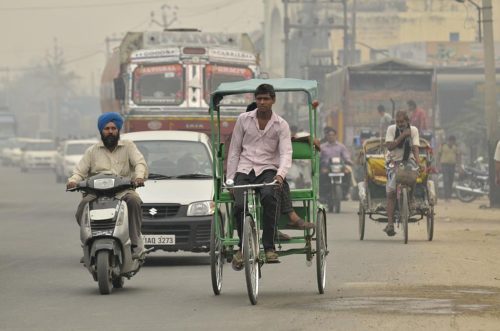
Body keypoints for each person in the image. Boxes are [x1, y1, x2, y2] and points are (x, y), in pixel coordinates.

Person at [227, 83, 292, 268]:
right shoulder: (243, 119)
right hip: (244, 169)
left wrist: (280, 175)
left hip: (268, 169)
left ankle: (269, 247)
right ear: (255, 100)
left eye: (266, 99)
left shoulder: (281, 124)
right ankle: (241, 247)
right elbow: (234, 150)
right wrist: (230, 179)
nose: (262, 102)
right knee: (239, 206)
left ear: (273, 100)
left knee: (270, 198)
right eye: (259, 99)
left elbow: (286, 153)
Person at [66, 112, 148, 259]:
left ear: (118, 130)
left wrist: (139, 177)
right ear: (101, 131)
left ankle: (135, 243)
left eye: (113, 128)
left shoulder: (128, 146)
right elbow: (79, 171)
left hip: (122, 191)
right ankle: (89, 243)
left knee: (134, 201)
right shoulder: (92, 151)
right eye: (107, 129)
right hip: (96, 193)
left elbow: (139, 163)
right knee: (82, 209)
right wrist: (73, 181)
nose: (110, 131)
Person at [383, 110, 421, 236]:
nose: (399, 124)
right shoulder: (391, 129)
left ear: (407, 121)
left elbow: (415, 147)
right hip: (393, 161)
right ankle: (390, 224)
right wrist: (403, 135)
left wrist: (418, 161)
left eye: (402, 122)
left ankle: (411, 199)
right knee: (391, 193)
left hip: (408, 160)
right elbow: (390, 146)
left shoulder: (414, 130)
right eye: (397, 122)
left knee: (414, 175)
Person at [319, 127, 353, 201]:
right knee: (321, 176)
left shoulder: (341, 146)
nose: (331, 136)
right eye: (329, 135)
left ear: (335, 136)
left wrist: (348, 161)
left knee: (348, 172)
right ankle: (322, 195)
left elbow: (346, 156)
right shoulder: (322, 147)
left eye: (333, 135)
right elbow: (318, 157)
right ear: (327, 136)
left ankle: (345, 192)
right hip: (326, 168)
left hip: (339, 168)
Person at [438, 135, 461, 201]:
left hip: (452, 165)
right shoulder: (443, 146)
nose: (452, 142)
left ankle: (449, 196)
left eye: (453, 141)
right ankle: (446, 197)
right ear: (448, 141)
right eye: (451, 141)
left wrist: (459, 166)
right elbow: (439, 155)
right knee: (446, 180)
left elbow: (458, 156)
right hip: (444, 165)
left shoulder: (455, 147)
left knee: (451, 180)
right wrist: (438, 165)